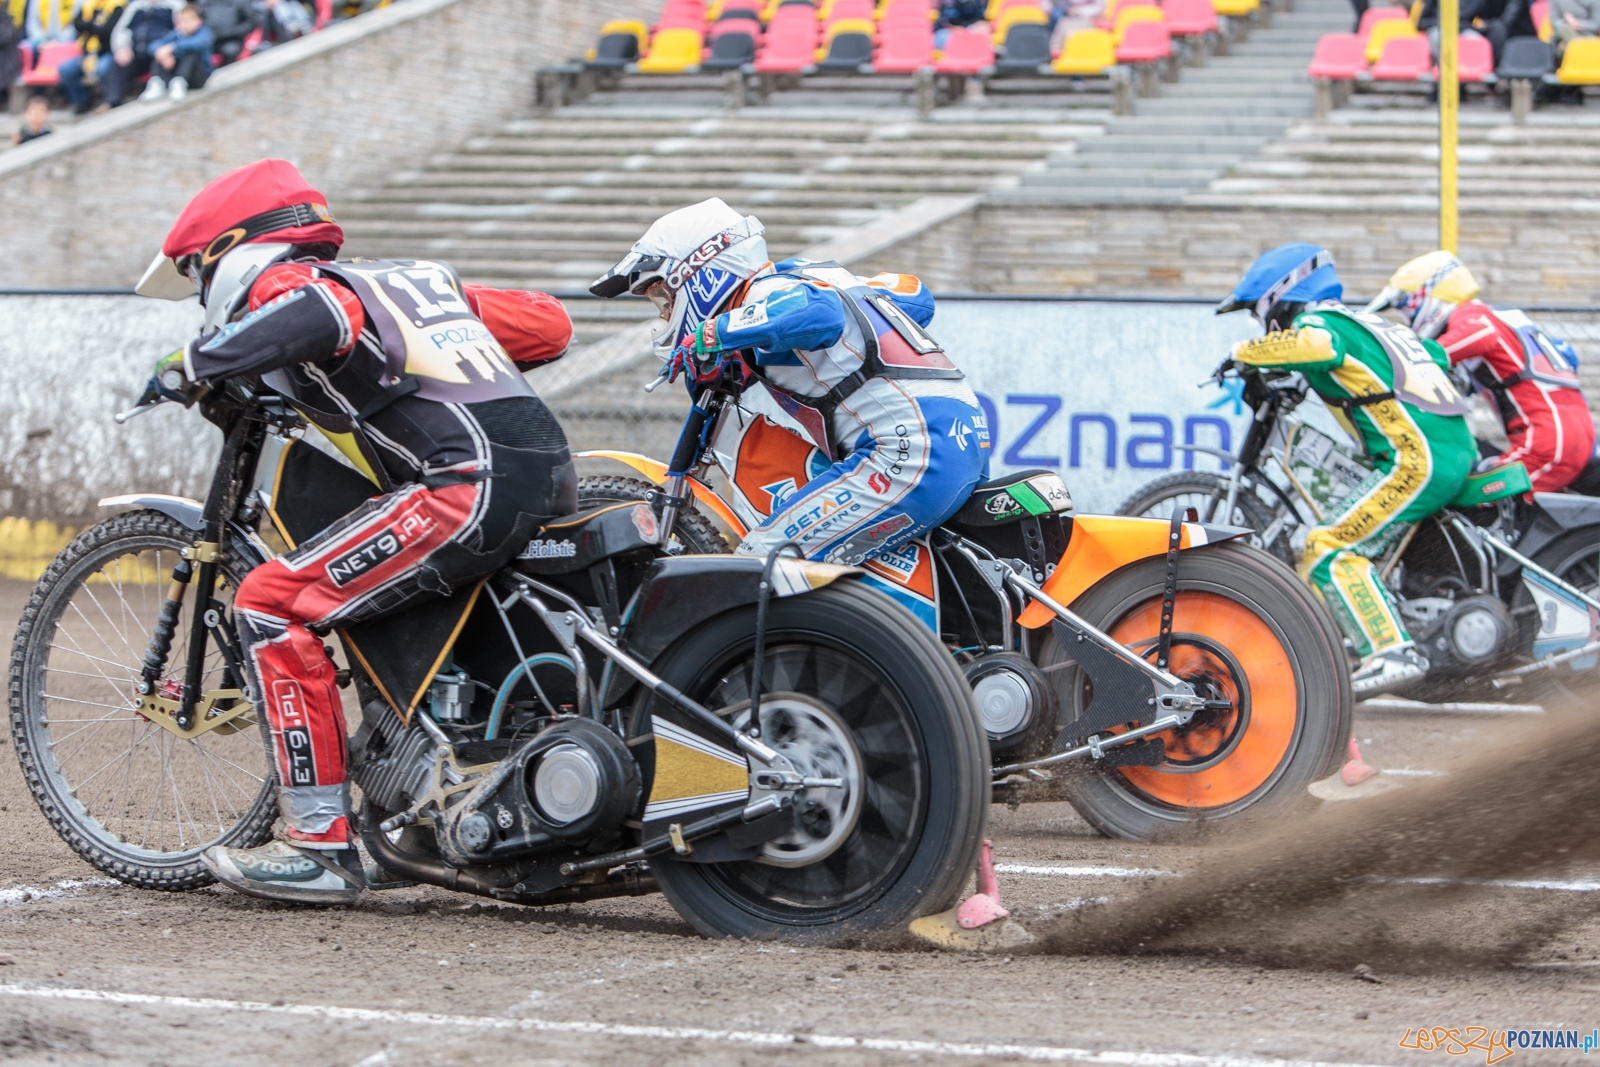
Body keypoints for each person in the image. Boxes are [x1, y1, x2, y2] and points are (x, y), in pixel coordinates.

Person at [134, 159, 576, 903]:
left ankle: (317, 846)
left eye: (198, 275)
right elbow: (551, 324)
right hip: (548, 473)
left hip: (463, 488)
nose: (206, 297)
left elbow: (317, 316)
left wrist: (195, 362)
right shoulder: (405, 288)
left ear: (230, 253)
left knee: (270, 599)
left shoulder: (306, 290)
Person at [589, 198, 991, 568]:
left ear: (700, 272)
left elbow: (822, 314)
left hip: (908, 451)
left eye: (664, 299)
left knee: (760, 563)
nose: (664, 316)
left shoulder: (772, 293)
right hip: (962, 434)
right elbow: (916, 295)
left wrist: (715, 333)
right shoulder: (812, 279)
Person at [1218, 244, 1477, 695]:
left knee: (1328, 546)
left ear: (1278, 297)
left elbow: (1316, 344)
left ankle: (1391, 651)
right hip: (1451, 449)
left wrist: (1245, 351)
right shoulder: (1370, 323)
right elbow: (1436, 356)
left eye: (1256, 313)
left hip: (1414, 458)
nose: (1259, 323)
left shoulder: (1320, 323)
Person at [1368, 251, 1595, 495]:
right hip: (1573, 433)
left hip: (1548, 439)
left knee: (1474, 499)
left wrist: (1376, 361)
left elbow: (1421, 358)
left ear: (1428, 295)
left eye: (1406, 309)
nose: (1407, 318)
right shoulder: (1502, 317)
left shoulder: (1475, 320)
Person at [101, 0, 180, 106]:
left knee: (162, 58)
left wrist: (170, 47)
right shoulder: (136, 7)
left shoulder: (174, 6)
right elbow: (121, 29)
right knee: (118, 62)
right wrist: (122, 47)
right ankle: (112, 101)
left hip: (160, 51)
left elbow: (182, 30)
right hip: (136, 52)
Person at [55, 0, 126, 114]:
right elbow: (77, 24)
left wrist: (88, 27)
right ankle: (82, 101)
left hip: (106, 51)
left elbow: (107, 31)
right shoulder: (87, 5)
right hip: (86, 53)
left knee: (103, 69)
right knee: (66, 69)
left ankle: (107, 100)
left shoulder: (117, 6)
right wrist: (95, 26)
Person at [139, 2, 211, 99]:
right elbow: (154, 45)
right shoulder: (176, 34)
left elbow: (197, 43)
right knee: (161, 53)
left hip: (198, 77)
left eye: (188, 20)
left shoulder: (204, 32)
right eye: (182, 21)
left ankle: (179, 81)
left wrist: (172, 48)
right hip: (175, 73)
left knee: (190, 52)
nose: (185, 24)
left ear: (198, 20)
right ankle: (157, 82)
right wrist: (163, 53)